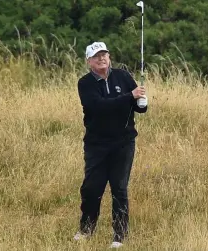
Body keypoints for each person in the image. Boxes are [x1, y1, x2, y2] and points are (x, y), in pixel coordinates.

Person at [74, 41, 148, 249]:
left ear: (109, 57)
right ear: (89, 62)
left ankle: (119, 236)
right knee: (92, 188)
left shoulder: (123, 77)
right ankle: (86, 229)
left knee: (119, 188)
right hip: (96, 144)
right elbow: (98, 107)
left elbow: (137, 105)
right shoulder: (85, 83)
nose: (101, 58)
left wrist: (142, 103)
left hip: (123, 143)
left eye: (104, 54)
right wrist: (129, 97)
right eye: (96, 56)